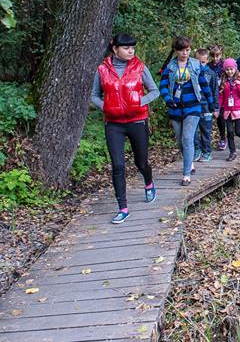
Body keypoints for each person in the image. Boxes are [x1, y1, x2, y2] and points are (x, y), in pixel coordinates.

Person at [91, 34, 159, 224]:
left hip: (137, 121)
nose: (131, 51)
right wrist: (106, 106)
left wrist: (139, 102)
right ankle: (123, 207)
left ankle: (148, 182)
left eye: (133, 48)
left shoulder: (140, 68)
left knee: (141, 161)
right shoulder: (102, 70)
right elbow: (94, 95)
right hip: (113, 124)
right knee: (118, 165)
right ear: (115, 49)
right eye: (126, 48)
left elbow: (155, 91)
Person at [160, 36, 214, 186]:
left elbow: (204, 84)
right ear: (176, 51)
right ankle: (189, 163)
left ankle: (186, 175)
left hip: (193, 106)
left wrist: (211, 103)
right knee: (180, 140)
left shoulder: (196, 65)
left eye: (188, 50)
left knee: (187, 138)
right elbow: (163, 85)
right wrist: (167, 99)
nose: (185, 53)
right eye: (182, 50)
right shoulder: (170, 67)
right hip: (175, 108)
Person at [218, 58, 240, 161]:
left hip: (238, 108)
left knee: (238, 131)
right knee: (230, 132)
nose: (229, 72)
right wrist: (218, 107)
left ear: (235, 68)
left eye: (231, 69)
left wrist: (238, 85)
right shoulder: (223, 80)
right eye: (227, 70)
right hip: (228, 110)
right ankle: (232, 152)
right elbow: (221, 96)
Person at [193, 48, 218, 163]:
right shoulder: (191, 72)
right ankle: (196, 150)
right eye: (198, 62)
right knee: (193, 130)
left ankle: (207, 152)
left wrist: (215, 107)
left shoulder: (211, 74)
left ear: (207, 60)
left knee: (205, 130)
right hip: (193, 106)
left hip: (206, 106)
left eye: (203, 62)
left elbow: (215, 91)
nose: (200, 64)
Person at [209, 45, 228, 150]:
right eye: (213, 56)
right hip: (212, 93)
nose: (215, 58)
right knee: (216, 116)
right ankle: (219, 138)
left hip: (223, 93)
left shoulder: (224, 65)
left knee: (222, 116)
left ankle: (223, 137)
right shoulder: (208, 66)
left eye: (217, 55)